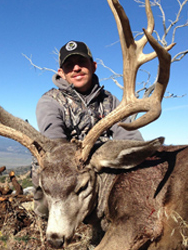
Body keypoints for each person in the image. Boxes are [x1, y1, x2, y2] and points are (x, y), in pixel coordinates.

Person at [32, 40, 143, 217]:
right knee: (49, 206)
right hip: (64, 168)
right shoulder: (50, 101)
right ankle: (49, 218)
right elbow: (55, 144)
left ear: (93, 66)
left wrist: (139, 154)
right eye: (69, 65)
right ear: (61, 72)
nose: (76, 68)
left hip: (98, 166)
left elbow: (128, 135)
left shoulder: (110, 101)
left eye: (82, 63)